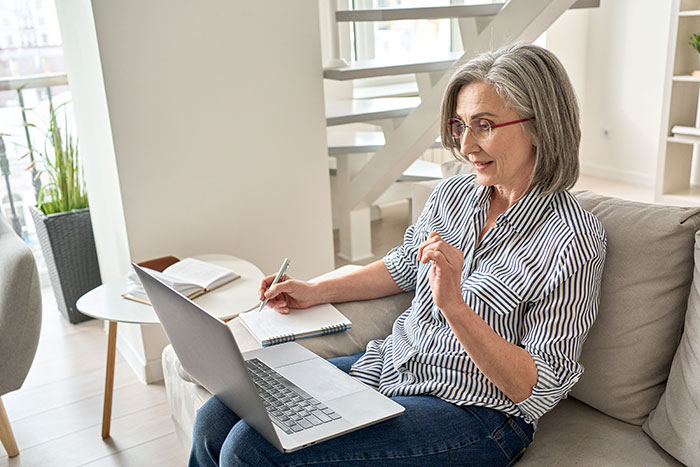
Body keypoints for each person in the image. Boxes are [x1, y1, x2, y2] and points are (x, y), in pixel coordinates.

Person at [189, 43, 606, 467]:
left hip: (476, 414)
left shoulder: (573, 239)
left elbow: (536, 389)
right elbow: (403, 266)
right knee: (216, 416)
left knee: (250, 450)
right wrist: (313, 290)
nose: (465, 147)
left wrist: (454, 307)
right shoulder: (453, 195)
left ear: (541, 125)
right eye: (460, 126)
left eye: (484, 125)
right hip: (388, 369)